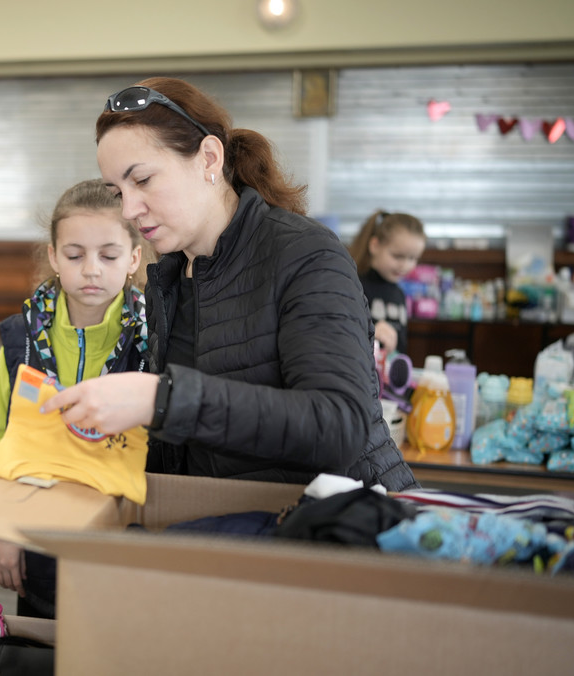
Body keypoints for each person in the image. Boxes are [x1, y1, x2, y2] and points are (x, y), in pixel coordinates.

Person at [41, 77, 418, 491]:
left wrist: (160, 398)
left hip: (338, 527)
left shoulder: (305, 253)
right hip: (227, 521)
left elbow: (339, 427)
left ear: (208, 158)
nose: (129, 209)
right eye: (118, 191)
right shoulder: (170, 274)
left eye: (143, 180)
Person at [0, 178, 149, 619]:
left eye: (108, 255)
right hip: (38, 531)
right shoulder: (21, 339)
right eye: (75, 255)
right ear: (54, 256)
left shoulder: (155, 341)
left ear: (134, 257)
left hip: (121, 537)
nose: (91, 269)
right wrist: (6, 530)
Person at [347, 210, 427, 356]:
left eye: (412, 258)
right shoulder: (356, 286)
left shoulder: (399, 294)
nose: (405, 265)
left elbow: (401, 347)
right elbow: (345, 335)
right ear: (375, 246)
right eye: (397, 256)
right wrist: (372, 331)